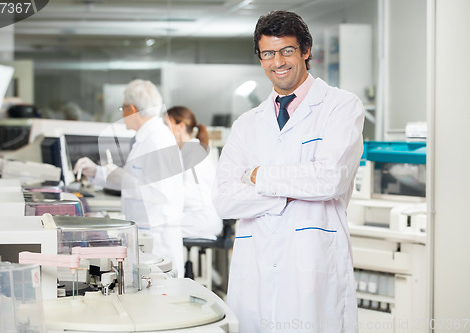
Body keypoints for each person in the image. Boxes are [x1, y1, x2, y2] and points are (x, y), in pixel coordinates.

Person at [213, 10, 365, 332]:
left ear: (305, 51)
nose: (277, 61)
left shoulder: (341, 106)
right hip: (255, 268)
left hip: (312, 265)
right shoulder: (247, 124)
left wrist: (256, 176)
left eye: (287, 51)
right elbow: (224, 200)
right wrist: (288, 197)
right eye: (268, 53)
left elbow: (329, 179)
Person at [74, 79, 185, 277]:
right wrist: (97, 172)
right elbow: (136, 180)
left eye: (122, 108)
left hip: (156, 237)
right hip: (145, 232)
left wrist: (119, 175)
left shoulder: (157, 140)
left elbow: (160, 192)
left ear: (131, 108)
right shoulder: (146, 138)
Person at [165, 106, 223, 240]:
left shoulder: (192, 153)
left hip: (200, 220)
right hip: (200, 217)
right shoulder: (190, 151)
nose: (163, 130)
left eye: (166, 125)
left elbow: (188, 194)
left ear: (180, 126)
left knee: (155, 230)